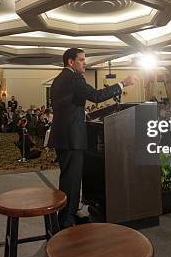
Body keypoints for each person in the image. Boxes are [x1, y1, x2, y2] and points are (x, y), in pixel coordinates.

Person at [50, 48, 137, 229]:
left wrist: (83, 114)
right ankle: (66, 222)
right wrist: (123, 83)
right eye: (81, 60)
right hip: (72, 138)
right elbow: (96, 97)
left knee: (69, 178)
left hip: (63, 136)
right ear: (70, 62)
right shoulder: (75, 78)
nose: (85, 63)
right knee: (71, 181)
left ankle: (70, 214)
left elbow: (68, 106)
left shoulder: (58, 79)